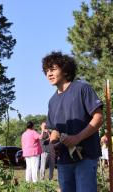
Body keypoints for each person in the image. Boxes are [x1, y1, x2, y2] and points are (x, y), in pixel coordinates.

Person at [42, 51, 103, 192]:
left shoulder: (82, 88)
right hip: (63, 160)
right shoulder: (52, 101)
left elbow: (98, 118)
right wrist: (52, 145)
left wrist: (77, 138)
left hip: (86, 157)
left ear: (65, 69)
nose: (49, 74)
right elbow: (55, 130)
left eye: (53, 69)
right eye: (46, 71)